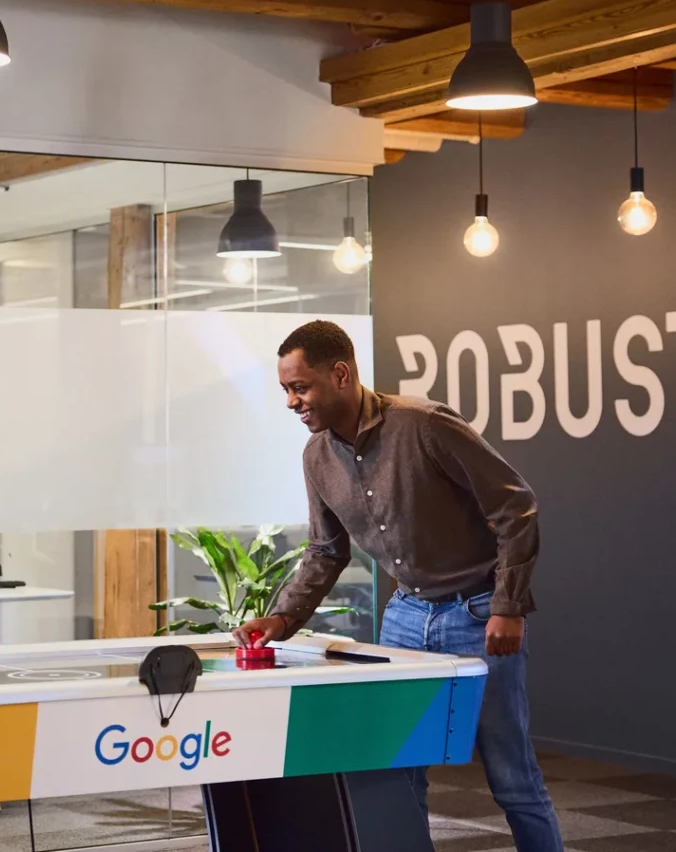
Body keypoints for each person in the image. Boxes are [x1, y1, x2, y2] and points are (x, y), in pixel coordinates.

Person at [234, 319, 563, 852]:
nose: (292, 402)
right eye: (286, 390)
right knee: (401, 773)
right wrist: (282, 619)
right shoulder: (316, 458)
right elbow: (326, 551)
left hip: (478, 615)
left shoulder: (425, 425)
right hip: (405, 619)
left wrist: (509, 605)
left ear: (340, 374)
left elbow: (515, 507)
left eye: (300, 387)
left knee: (511, 777)